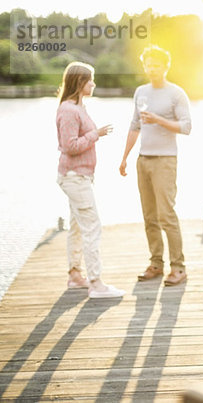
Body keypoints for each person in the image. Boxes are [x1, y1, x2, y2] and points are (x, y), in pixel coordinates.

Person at [119, 45, 192, 287]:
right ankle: (156, 263)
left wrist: (158, 119)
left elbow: (186, 127)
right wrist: (124, 157)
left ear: (165, 66)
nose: (152, 69)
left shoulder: (176, 93)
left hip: (165, 160)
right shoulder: (141, 91)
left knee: (166, 215)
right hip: (143, 159)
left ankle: (178, 267)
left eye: (156, 65)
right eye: (148, 65)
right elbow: (134, 125)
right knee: (149, 216)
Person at [55, 62, 126, 299]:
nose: (93, 84)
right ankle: (96, 284)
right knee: (92, 227)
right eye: (90, 80)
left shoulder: (79, 107)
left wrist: (95, 135)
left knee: (77, 226)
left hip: (80, 176)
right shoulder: (69, 110)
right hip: (75, 178)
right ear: (79, 83)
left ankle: (76, 276)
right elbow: (69, 146)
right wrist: (98, 134)